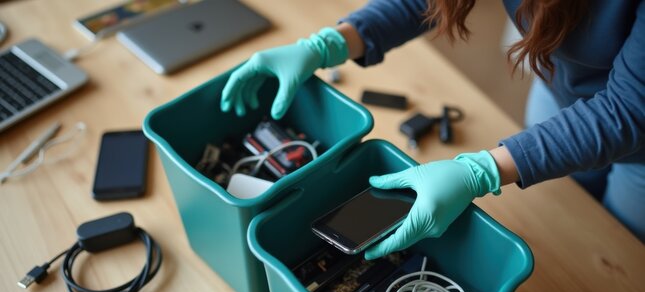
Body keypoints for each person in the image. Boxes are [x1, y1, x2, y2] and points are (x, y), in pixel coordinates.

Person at [221, 0, 645, 257]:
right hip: (561, 90)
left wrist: (482, 171)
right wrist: (328, 43)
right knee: (562, 212)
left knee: (613, 251)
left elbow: (629, 109)